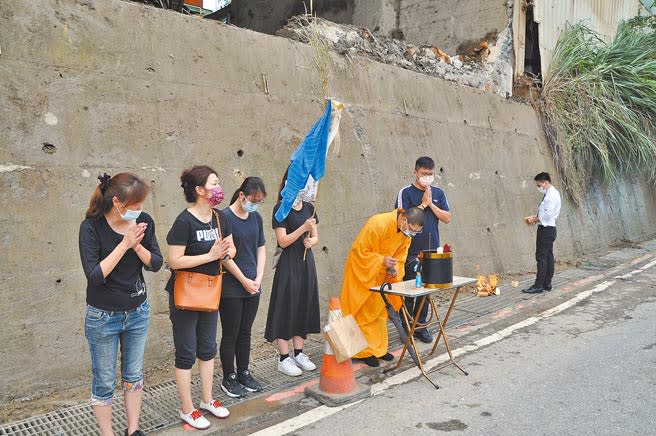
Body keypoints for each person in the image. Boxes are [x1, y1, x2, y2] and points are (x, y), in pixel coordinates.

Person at [79, 172, 163, 436]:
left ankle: (134, 430)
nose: (139, 212)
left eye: (141, 207)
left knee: (134, 375)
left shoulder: (143, 222)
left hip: (137, 312)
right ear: (117, 203)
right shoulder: (91, 227)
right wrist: (125, 244)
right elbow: (94, 276)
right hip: (103, 317)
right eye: (135, 207)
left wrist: (137, 246)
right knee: (104, 381)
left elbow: (156, 263)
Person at [166, 165, 236, 430]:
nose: (218, 189)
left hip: (210, 291)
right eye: (214, 183)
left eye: (218, 183)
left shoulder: (221, 218)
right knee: (186, 353)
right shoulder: (184, 221)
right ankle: (187, 408)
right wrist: (209, 255)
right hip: (185, 293)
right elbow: (174, 260)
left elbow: (231, 250)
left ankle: (207, 400)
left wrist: (226, 251)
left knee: (207, 349)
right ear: (199, 190)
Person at [340, 207, 425, 367]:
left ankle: (377, 349)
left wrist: (394, 269)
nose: (412, 234)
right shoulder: (377, 223)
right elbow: (359, 251)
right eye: (412, 230)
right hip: (363, 272)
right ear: (404, 220)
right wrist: (381, 261)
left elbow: (401, 257)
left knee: (379, 313)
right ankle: (361, 352)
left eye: (416, 232)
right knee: (361, 312)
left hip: (382, 275)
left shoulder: (406, 234)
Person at [265, 171, 320, 377]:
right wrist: (302, 229)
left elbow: (315, 236)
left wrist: (311, 240)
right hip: (288, 262)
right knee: (286, 306)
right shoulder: (281, 208)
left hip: (307, 262)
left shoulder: (309, 208)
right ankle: (283, 357)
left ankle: (299, 353)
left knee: (303, 304)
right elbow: (283, 241)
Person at [218, 177, 267, 398]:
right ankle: (228, 377)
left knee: (245, 332)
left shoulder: (256, 217)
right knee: (231, 333)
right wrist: (244, 281)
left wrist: (258, 278)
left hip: (253, 284)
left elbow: (261, 248)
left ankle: (243, 372)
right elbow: (225, 256)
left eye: (259, 201)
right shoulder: (224, 217)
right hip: (231, 285)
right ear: (241, 195)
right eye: (252, 200)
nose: (254, 204)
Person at [395, 156, 451, 343]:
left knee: (426, 290)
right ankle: (406, 326)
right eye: (424, 174)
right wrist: (423, 205)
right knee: (410, 289)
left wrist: (431, 204)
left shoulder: (439, 193)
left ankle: (420, 326)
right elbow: (402, 220)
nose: (427, 177)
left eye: (430, 174)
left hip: (432, 250)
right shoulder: (405, 193)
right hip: (410, 250)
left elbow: (447, 218)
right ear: (415, 173)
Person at [522, 172, 562, 294]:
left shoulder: (550, 196)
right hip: (550, 228)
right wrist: (537, 217)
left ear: (545, 182)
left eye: (539, 185)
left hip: (545, 230)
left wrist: (533, 219)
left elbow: (547, 214)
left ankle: (538, 285)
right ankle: (547, 283)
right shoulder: (554, 193)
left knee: (541, 258)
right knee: (548, 256)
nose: (539, 187)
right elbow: (546, 213)